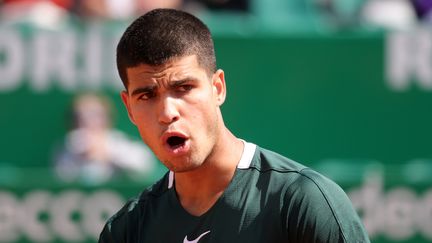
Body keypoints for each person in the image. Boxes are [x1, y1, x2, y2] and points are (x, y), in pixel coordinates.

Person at [98, 8, 370, 243]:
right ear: (130, 108)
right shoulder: (126, 231)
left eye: (183, 88)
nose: (167, 113)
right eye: (147, 95)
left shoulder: (303, 202)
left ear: (218, 88)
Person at [54, 92, 156, 184]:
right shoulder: (69, 147)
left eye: (95, 115)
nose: (88, 121)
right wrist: (79, 157)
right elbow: (61, 178)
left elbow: (144, 164)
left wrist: (106, 154)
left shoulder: (116, 142)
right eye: (81, 116)